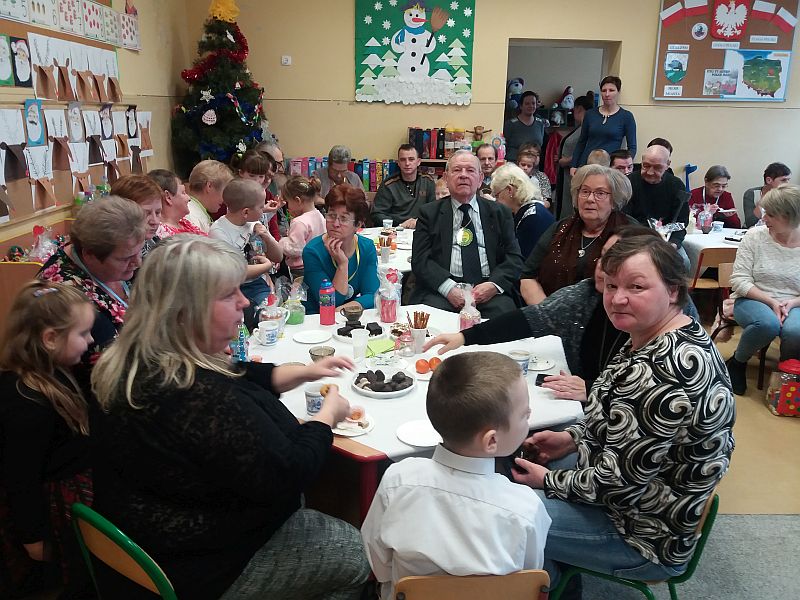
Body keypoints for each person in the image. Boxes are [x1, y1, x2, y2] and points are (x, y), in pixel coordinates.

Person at [89, 236, 370, 600]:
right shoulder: (196, 398)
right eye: (227, 295)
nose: (244, 301)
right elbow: (289, 472)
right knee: (355, 552)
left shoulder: (136, 361)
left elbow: (239, 373)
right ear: (184, 312)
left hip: (150, 539)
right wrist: (326, 418)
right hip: (201, 566)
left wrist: (304, 371)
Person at [512, 235, 735, 593]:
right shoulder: (667, 334)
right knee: (514, 474)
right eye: (612, 285)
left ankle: (551, 581)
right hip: (642, 501)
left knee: (503, 517)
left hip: (641, 534)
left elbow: (617, 488)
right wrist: (571, 439)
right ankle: (552, 571)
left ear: (673, 291)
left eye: (636, 286)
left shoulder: (661, 372)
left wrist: (548, 481)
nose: (617, 298)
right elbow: (617, 418)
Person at [425, 226, 699, 401]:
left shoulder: (676, 343)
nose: (604, 267)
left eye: (635, 284)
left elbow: (625, 458)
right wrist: (466, 337)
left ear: (670, 290)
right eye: (604, 256)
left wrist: (592, 390)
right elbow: (530, 319)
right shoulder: (587, 293)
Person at [361, 352, 551, 600]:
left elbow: (377, 561)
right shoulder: (526, 508)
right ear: (491, 441)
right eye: (525, 414)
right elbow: (526, 579)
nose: (529, 416)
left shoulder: (396, 481)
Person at [0, 281, 95, 598]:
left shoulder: (59, 369)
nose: (91, 341)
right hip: (53, 511)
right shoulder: (25, 401)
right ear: (50, 339)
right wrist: (33, 537)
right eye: (83, 333)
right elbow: (20, 477)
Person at [38, 196, 146, 373]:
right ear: (89, 254)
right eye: (125, 258)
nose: (138, 262)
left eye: (139, 252)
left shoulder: (115, 257)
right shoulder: (66, 296)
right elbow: (108, 368)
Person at [411, 150, 524, 318]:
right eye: (457, 170)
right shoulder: (429, 213)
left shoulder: (500, 213)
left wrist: (493, 285)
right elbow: (420, 260)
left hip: (488, 289)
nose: (463, 175)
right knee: (431, 320)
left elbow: (514, 258)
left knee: (505, 319)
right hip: (443, 290)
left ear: (480, 179)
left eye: (470, 170)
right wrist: (448, 288)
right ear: (446, 178)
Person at [520, 165, 634, 305]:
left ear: (614, 200)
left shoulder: (629, 233)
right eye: (585, 191)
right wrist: (547, 311)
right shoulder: (561, 228)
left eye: (600, 193)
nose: (590, 199)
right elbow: (528, 276)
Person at [726, 184, 800, 395]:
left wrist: (792, 303)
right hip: (753, 298)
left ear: (790, 217)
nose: (764, 218)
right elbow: (739, 280)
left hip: (794, 302)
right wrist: (772, 302)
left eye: (771, 215)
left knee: (795, 330)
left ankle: (788, 376)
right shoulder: (755, 236)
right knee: (767, 324)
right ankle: (738, 362)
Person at [303, 183, 380, 313]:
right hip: (316, 318)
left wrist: (345, 309)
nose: (336, 224)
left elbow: (372, 295)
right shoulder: (313, 251)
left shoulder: (366, 247)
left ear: (358, 224)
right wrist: (342, 265)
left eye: (344, 218)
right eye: (331, 215)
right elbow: (329, 302)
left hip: (349, 316)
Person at [209, 179, 283, 307]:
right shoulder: (219, 232)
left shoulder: (254, 223)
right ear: (246, 212)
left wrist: (267, 236)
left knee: (271, 310)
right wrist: (266, 266)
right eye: (261, 207)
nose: (263, 210)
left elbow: (278, 257)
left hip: (257, 284)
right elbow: (234, 273)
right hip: (232, 288)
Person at [624, 144, 690, 270]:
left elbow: (682, 221)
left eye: (657, 168)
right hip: (635, 239)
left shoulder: (676, 185)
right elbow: (624, 219)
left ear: (668, 164)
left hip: (667, 241)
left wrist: (673, 244)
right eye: (646, 166)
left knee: (684, 264)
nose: (650, 172)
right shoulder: (629, 183)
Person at [571, 76, 637, 170]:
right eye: (604, 90)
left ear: (618, 92)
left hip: (610, 167)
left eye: (611, 90)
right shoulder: (590, 114)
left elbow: (632, 147)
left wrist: (625, 166)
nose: (607, 94)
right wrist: (574, 165)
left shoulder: (626, 116)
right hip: (587, 165)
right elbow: (581, 142)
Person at [491, 163, 555, 260]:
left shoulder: (534, 218)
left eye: (497, 195)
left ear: (509, 190)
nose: (496, 201)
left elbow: (521, 260)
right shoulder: (529, 211)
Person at [371, 144, 436, 228]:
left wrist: (419, 222)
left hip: (421, 228)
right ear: (398, 163)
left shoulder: (428, 182)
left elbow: (434, 211)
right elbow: (377, 215)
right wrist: (399, 224)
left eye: (411, 159)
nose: (407, 163)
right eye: (403, 160)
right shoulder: (388, 185)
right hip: (396, 229)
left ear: (418, 162)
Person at [277, 175, 326, 277]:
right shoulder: (319, 215)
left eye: (288, 202)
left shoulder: (299, 222)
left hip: (301, 267)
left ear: (297, 200)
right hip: (319, 263)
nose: (288, 207)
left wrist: (281, 242)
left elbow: (295, 249)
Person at [556, 95, 593, 219]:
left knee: (571, 205)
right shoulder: (580, 128)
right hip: (565, 174)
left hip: (573, 173)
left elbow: (586, 151)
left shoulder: (587, 129)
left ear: (578, 109)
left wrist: (565, 161)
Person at [110, 174, 163, 258]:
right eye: (146, 213)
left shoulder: (153, 241)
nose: (155, 221)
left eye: (157, 212)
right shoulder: (115, 252)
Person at [149, 169, 206, 237]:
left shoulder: (185, 223)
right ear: (168, 197)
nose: (189, 198)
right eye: (183, 192)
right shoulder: (163, 234)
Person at [185, 159, 233, 233]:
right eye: (225, 192)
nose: (225, 200)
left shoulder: (193, 212)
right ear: (209, 186)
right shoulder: (191, 217)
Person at [743, 162, 792, 228]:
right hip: (752, 231)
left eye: (788, 180)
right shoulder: (751, 194)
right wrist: (763, 200)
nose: (787, 184)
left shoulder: (789, 195)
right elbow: (750, 223)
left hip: (777, 231)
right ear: (769, 180)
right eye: (783, 180)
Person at [504, 90, 548, 161]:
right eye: (527, 104)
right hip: (514, 164)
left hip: (533, 165)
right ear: (521, 106)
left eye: (533, 103)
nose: (531, 106)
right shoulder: (510, 124)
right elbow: (504, 146)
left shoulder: (540, 124)